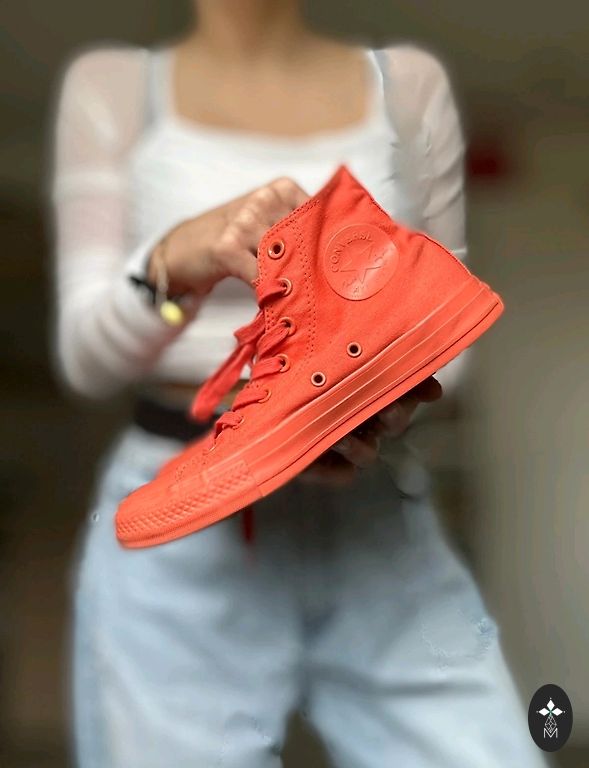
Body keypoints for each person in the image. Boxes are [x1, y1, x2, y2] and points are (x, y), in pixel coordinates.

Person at [50, 1, 547, 766]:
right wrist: (175, 260)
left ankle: (307, 404)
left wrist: (361, 408)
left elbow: (444, 331)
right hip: (181, 500)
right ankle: (285, 409)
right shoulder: (111, 84)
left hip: (374, 508)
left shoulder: (406, 83)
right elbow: (86, 359)